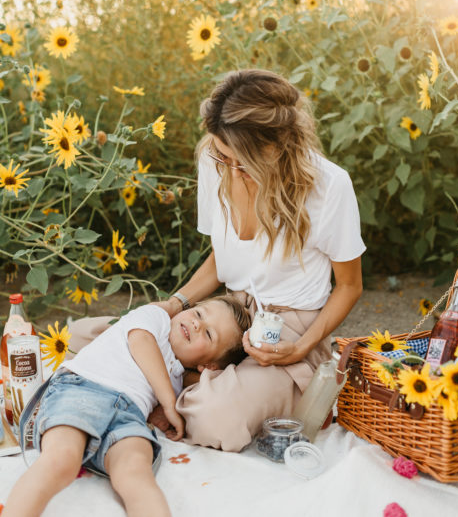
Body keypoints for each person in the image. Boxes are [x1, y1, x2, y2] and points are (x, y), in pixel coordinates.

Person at [68, 68, 365, 452]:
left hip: (288, 331)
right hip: (224, 314)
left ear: (275, 148)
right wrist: (175, 303)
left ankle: (178, 384)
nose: (224, 165)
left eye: (236, 160)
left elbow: (350, 286)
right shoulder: (215, 160)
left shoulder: (329, 186)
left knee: (217, 418)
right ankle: (186, 380)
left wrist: (303, 348)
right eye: (219, 154)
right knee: (80, 339)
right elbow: (221, 257)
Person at [3, 295, 250, 517]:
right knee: (61, 460)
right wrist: (168, 403)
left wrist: (161, 414)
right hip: (82, 389)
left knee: (135, 473)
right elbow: (141, 342)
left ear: (207, 366)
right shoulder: (156, 319)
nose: (197, 324)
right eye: (198, 314)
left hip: (128, 415)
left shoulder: (179, 378)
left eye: (209, 334)